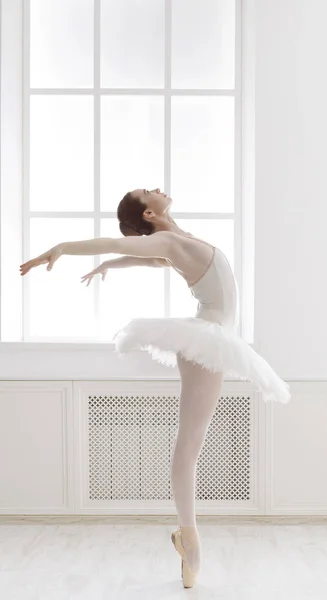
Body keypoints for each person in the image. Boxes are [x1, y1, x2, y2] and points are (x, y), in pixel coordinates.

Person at [20, 187, 291, 588]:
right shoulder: (169, 239)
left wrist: (113, 262)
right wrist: (63, 247)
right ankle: (191, 538)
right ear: (149, 213)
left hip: (214, 336)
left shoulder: (178, 239)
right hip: (208, 339)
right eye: (148, 192)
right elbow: (118, 240)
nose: (158, 188)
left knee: (191, 445)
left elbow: (149, 261)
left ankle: (188, 537)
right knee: (189, 447)